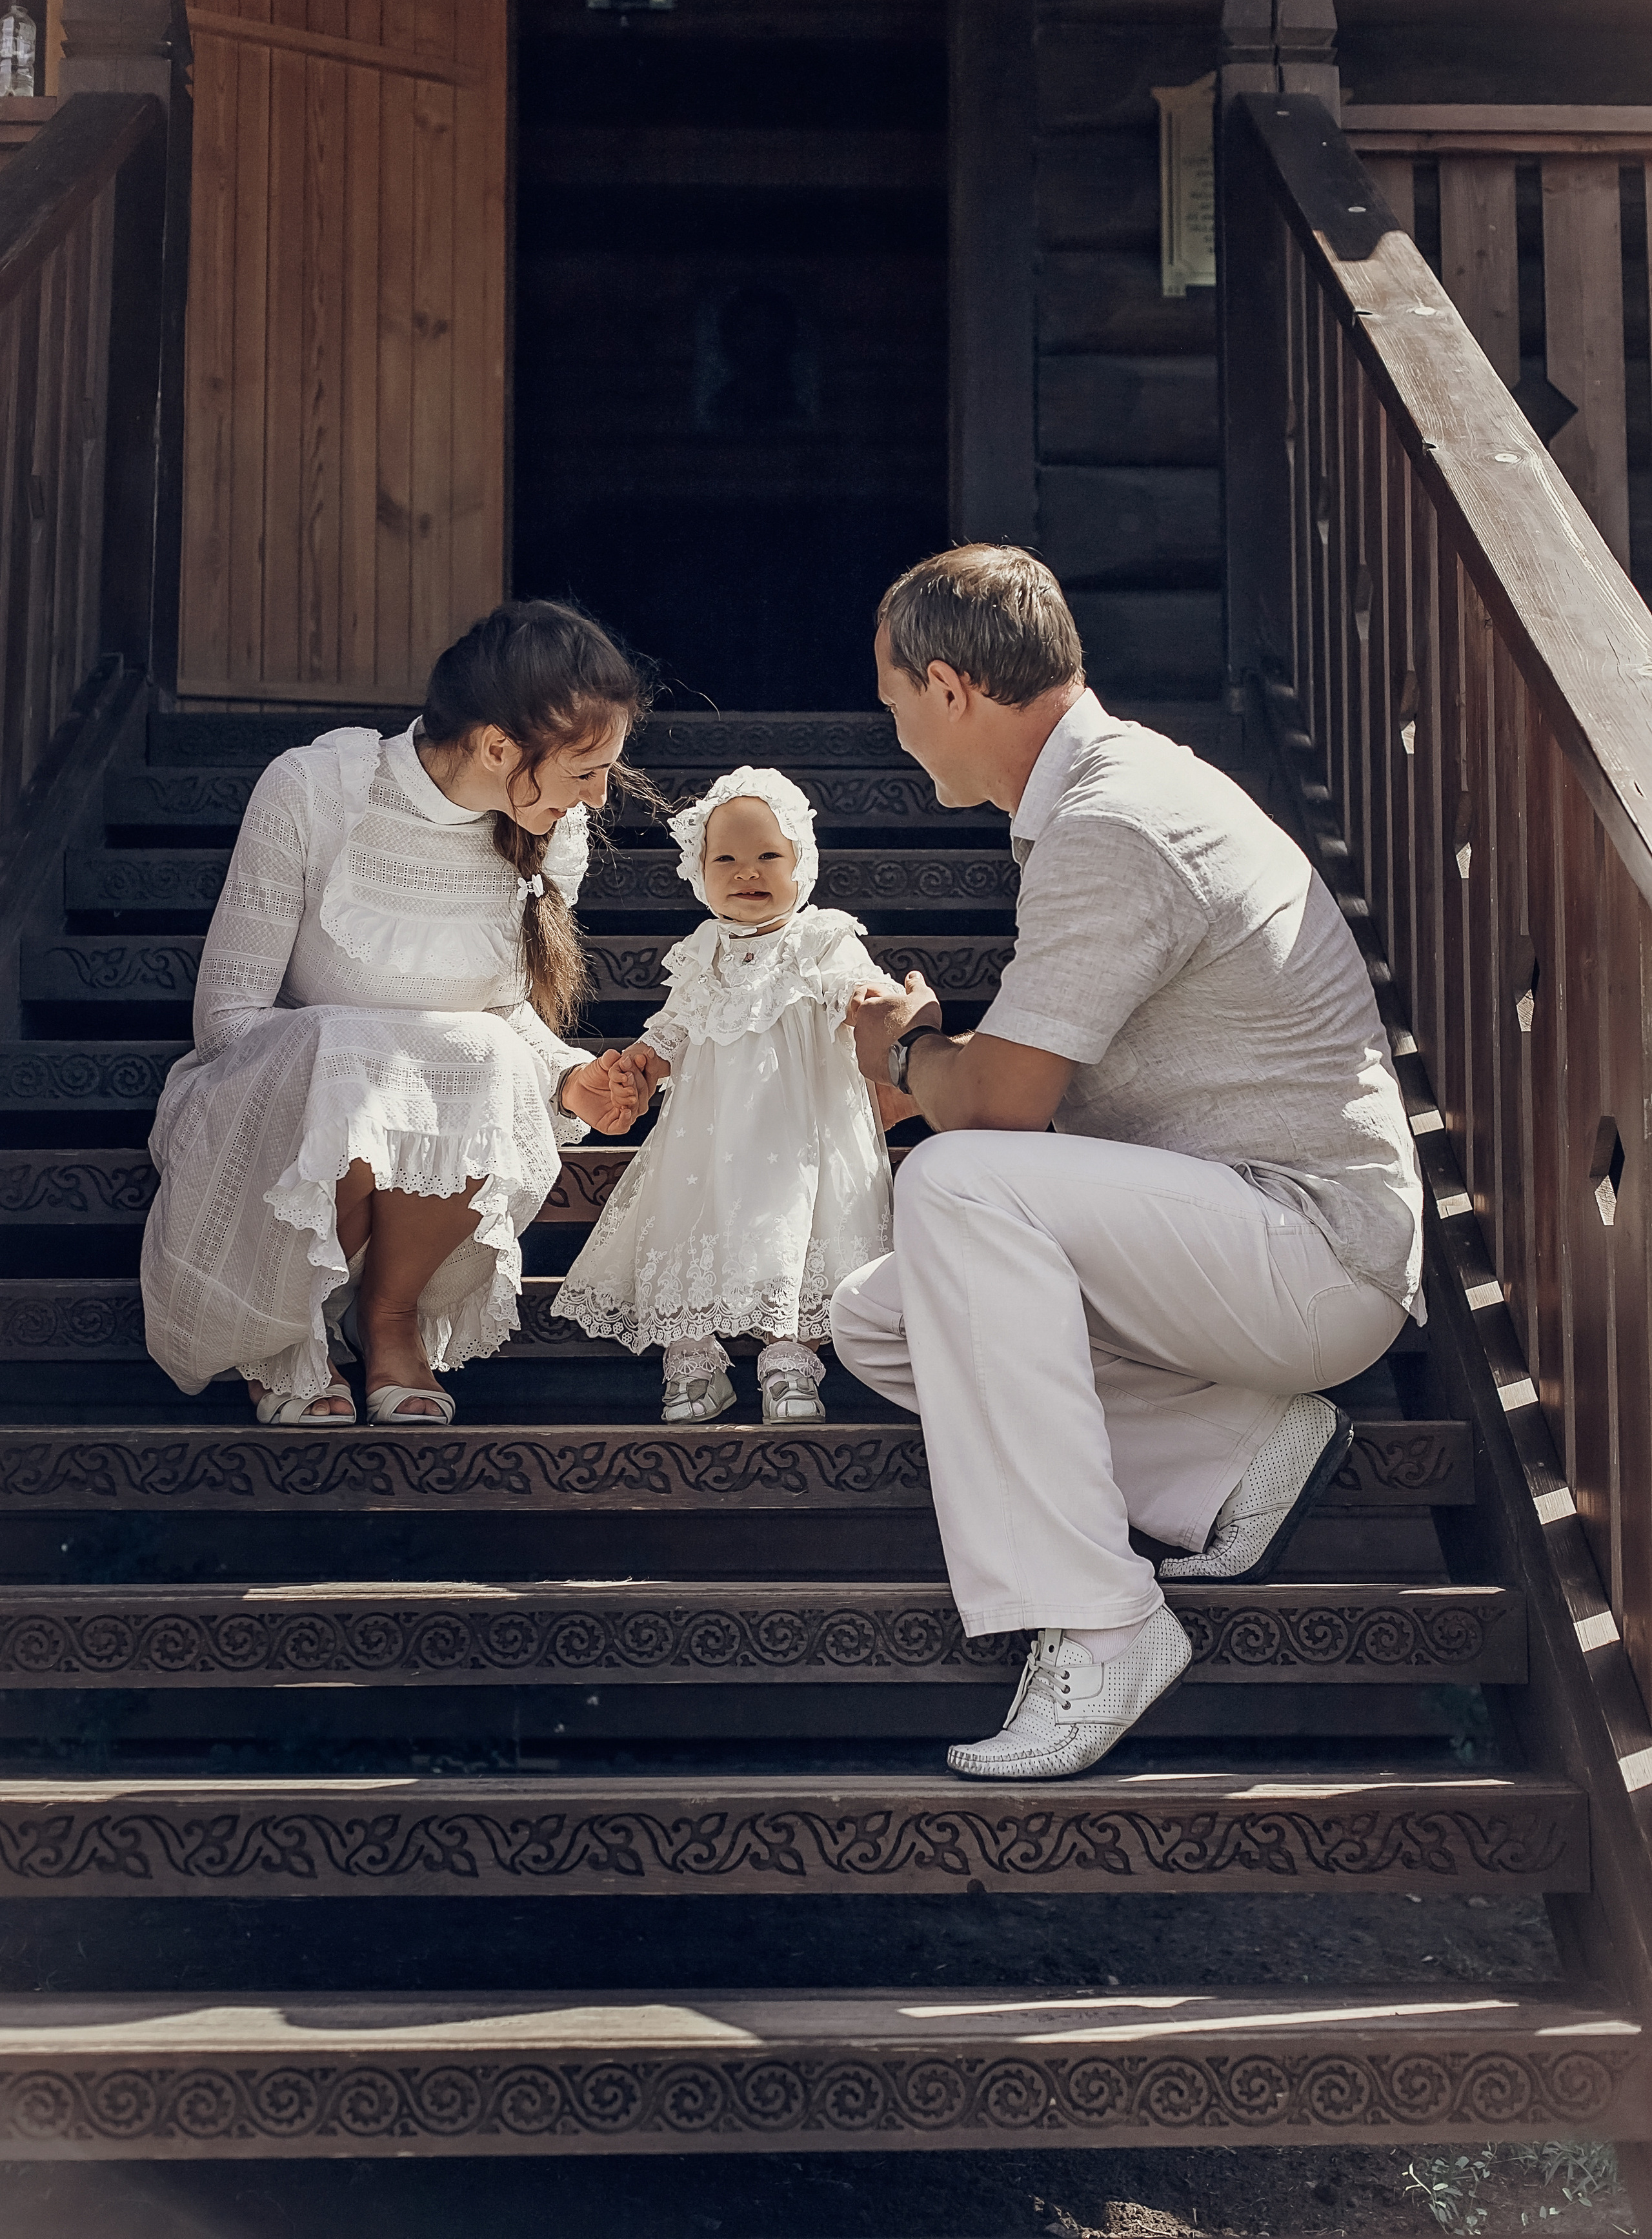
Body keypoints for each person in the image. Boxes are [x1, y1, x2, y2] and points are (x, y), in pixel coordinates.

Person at [833, 545, 1424, 1783]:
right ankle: (1232, 1455)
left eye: (894, 706)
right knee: (879, 1322)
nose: (896, 737)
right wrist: (942, 1058)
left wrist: (907, 1058)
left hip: (1306, 1247)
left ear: (950, 687)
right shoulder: (1096, 797)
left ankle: (1102, 1623)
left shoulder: (1114, 822)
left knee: (954, 1183)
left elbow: (997, 1108)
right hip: (1235, 1247)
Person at [141, 602, 650, 1427]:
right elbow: (228, 1020)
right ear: (497, 747)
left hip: (414, 1165)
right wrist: (363, 1058)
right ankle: (284, 1331)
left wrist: (569, 1080)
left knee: (478, 1051)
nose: (596, 797)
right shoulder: (314, 790)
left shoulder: (549, 832)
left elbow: (501, 1019)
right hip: (283, 1119)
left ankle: (389, 1317)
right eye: (585, 770)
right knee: (354, 1048)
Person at [557, 767, 901, 1426]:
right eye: (727, 859)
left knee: (794, 1234)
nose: (748, 872)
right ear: (699, 870)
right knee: (695, 1229)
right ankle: (694, 1364)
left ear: (802, 861)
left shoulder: (821, 939)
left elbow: (855, 998)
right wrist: (642, 1068)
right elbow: (673, 1032)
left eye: (769, 855)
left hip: (801, 1135)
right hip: (707, 1140)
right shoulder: (701, 952)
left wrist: (870, 1008)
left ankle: (789, 1363)